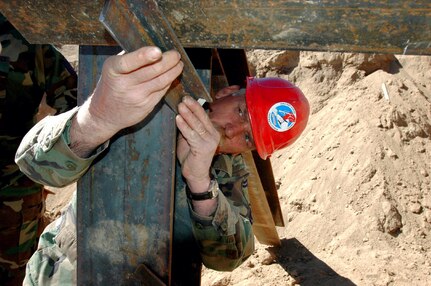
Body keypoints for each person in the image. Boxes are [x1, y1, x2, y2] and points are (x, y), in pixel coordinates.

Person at [15, 45, 309, 284]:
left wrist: (200, 183)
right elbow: (33, 165)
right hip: (65, 275)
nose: (233, 130)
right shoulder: (149, 99)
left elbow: (231, 257)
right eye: (242, 112)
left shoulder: (229, 170)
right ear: (226, 93)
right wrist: (98, 119)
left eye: (248, 137)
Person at [0, 13, 78, 285]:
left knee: (16, 271)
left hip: (15, 193)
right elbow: (73, 97)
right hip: (17, 191)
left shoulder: (26, 39)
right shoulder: (25, 36)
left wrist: (41, 137)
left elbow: (74, 99)